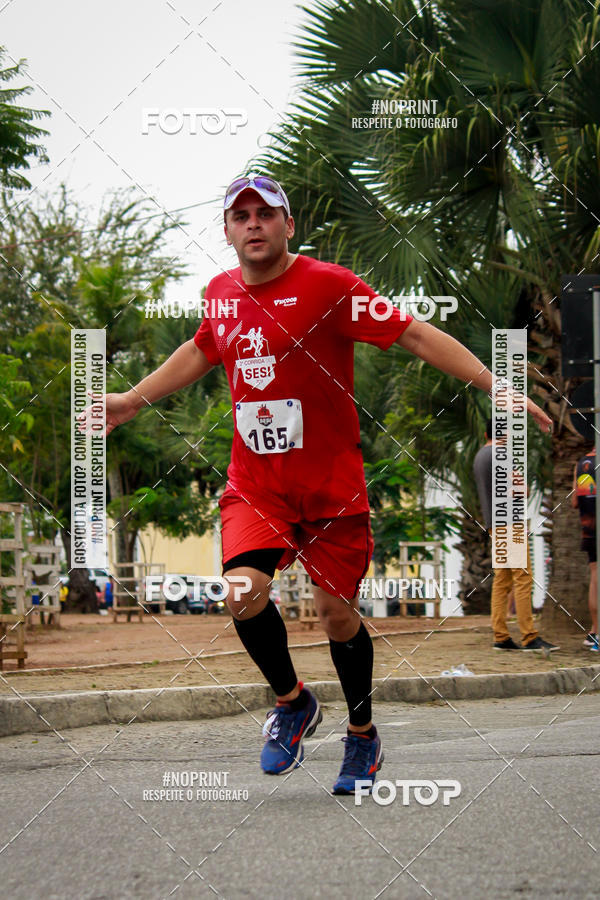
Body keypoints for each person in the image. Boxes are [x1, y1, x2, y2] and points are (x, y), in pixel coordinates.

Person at [91, 174, 552, 794]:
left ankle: (362, 735)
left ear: (286, 224)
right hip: (258, 484)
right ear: (227, 232)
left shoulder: (330, 287)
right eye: (240, 216)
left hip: (331, 484)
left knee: (338, 614)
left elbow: (413, 332)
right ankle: (292, 700)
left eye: (265, 213)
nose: (253, 224)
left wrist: (494, 383)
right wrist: (130, 400)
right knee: (240, 591)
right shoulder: (220, 293)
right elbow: (202, 350)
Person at [473, 418, 559, 652]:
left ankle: (500, 635)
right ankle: (529, 636)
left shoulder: (480, 457)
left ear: (485, 433)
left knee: (502, 580)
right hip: (511, 523)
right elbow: (521, 489)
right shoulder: (502, 455)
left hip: (494, 524)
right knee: (522, 578)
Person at [571, 446, 599, 651]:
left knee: (595, 574)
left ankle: (594, 631)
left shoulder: (581, 464)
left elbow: (574, 501)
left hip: (589, 528)